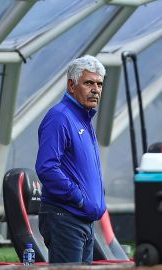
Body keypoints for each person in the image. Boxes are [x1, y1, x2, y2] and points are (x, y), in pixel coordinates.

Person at [35, 55, 106, 264]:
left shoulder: (83, 118)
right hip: (65, 218)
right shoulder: (60, 117)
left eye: (99, 84)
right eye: (88, 83)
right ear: (71, 85)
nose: (95, 89)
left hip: (83, 220)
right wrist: (79, 198)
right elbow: (47, 168)